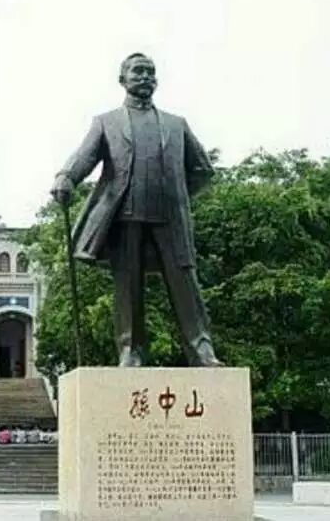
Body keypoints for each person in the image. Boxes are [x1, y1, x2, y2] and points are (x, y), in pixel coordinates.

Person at [50, 52, 222, 368]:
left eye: (150, 72)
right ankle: (130, 350)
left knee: (186, 284)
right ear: (123, 79)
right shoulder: (106, 122)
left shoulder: (176, 124)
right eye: (138, 71)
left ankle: (202, 350)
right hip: (125, 216)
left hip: (170, 217)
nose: (145, 77)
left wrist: (177, 193)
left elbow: (201, 169)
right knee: (127, 287)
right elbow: (85, 156)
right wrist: (66, 177)